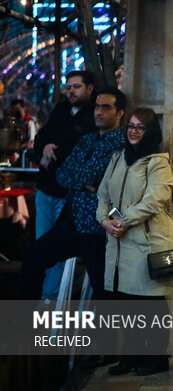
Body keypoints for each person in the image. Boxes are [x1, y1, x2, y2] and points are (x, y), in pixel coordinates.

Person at [19, 87, 126, 303]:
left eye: (106, 107)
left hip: (99, 227)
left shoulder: (121, 143)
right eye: (97, 106)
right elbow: (62, 175)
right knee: (33, 256)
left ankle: (104, 336)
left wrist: (84, 178)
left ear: (120, 113)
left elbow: (92, 174)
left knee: (104, 289)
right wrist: (85, 182)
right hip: (75, 219)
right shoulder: (86, 140)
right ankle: (24, 321)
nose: (98, 112)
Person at [96, 107, 173, 376]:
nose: (133, 131)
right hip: (119, 242)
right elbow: (103, 195)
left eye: (140, 127)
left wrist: (123, 221)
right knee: (125, 300)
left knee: (149, 302)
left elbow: (154, 201)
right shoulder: (118, 158)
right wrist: (104, 220)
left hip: (147, 242)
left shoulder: (158, 162)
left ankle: (156, 359)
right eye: (130, 125)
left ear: (150, 132)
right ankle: (130, 356)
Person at [26, 70, 96, 300]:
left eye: (76, 86)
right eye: (69, 87)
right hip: (46, 188)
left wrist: (55, 151)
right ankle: (43, 296)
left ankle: (51, 297)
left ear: (89, 88)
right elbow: (43, 137)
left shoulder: (92, 116)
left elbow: (79, 152)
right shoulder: (61, 110)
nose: (71, 91)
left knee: (54, 247)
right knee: (41, 244)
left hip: (68, 194)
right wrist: (45, 148)